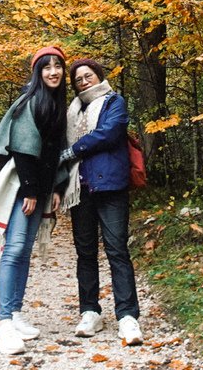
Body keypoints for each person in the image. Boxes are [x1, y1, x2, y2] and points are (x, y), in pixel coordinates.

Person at [0, 46, 69, 356]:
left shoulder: (56, 103)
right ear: (37, 72)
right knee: (13, 249)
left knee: (23, 251)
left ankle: (16, 313)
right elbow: (24, 149)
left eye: (58, 67)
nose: (53, 72)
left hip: (41, 185)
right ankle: (3, 324)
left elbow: (54, 153)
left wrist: (55, 189)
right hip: (21, 186)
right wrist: (30, 191)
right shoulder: (31, 101)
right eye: (47, 67)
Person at [60, 58, 143, 346]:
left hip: (111, 186)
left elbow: (110, 133)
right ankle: (89, 311)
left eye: (88, 76)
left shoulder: (113, 102)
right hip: (79, 190)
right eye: (78, 79)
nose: (83, 81)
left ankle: (127, 316)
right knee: (85, 253)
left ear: (99, 76)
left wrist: (74, 150)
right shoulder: (73, 110)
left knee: (117, 249)